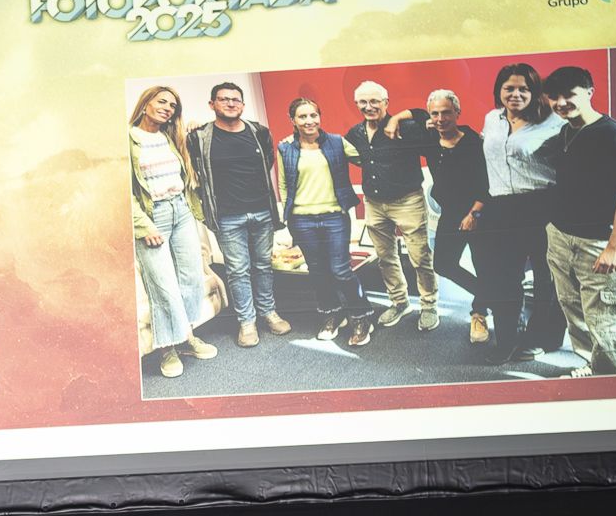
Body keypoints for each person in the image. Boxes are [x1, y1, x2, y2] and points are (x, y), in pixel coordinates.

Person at [540, 66, 616, 377]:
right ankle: (593, 368)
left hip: (599, 241)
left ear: (589, 92)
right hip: (562, 237)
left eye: (569, 95)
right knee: (577, 311)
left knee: (610, 320)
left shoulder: (615, 135)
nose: (561, 103)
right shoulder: (565, 131)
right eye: (554, 97)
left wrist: (615, 246)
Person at [186, 81, 291, 347]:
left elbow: (267, 162)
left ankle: (269, 312)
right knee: (238, 270)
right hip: (227, 216)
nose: (230, 103)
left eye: (235, 99)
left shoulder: (259, 132)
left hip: (262, 212)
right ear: (212, 105)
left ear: (242, 105)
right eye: (223, 99)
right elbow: (191, 167)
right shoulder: (199, 138)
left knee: (263, 266)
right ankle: (247, 322)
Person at [475, 62, 567, 361]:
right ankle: (507, 340)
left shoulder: (553, 121)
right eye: (509, 88)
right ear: (499, 91)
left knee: (546, 277)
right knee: (503, 277)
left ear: (534, 92)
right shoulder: (492, 119)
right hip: (500, 207)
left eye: (523, 89)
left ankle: (544, 337)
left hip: (541, 203)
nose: (516, 94)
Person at [385, 90, 492, 343]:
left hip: (480, 212)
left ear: (458, 112)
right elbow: (418, 113)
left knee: (483, 265)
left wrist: (474, 213)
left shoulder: (474, 142)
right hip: (451, 213)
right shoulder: (430, 138)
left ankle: (480, 313)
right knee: (443, 264)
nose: (441, 118)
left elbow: (486, 183)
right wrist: (394, 119)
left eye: (446, 112)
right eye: (436, 113)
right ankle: (492, 295)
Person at [130, 84, 218, 376]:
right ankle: (167, 349)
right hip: (152, 215)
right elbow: (123, 190)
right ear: (146, 104)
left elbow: (201, 137)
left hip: (180, 210)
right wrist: (144, 226)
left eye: (173, 106)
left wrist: (194, 125)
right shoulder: (127, 139)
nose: (168, 108)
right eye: (162, 102)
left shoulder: (170, 137)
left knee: (191, 275)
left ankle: (186, 337)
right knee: (164, 285)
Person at [344, 80, 439, 331]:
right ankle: (399, 302)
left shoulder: (405, 127)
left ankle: (429, 305)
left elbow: (424, 114)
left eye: (375, 101)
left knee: (420, 258)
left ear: (386, 102)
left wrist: (397, 119)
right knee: (385, 258)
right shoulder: (355, 133)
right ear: (356, 104)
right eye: (363, 102)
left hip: (407, 200)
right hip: (374, 203)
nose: (369, 106)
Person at [277, 98, 374, 345]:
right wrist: (289, 218)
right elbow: (284, 184)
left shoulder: (337, 142)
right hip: (302, 220)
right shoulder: (285, 147)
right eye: (302, 116)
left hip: (334, 217)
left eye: (313, 115)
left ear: (320, 117)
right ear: (293, 121)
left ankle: (361, 316)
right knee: (318, 272)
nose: (309, 121)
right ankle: (332, 314)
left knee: (341, 270)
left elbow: (368, 158)